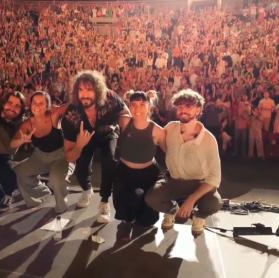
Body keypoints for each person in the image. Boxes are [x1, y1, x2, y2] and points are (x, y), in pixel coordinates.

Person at [145, 89, 223, 235]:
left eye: (188, 106)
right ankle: (172, 210)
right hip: (175, 181)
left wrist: (191, 200)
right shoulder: (170, 128)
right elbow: (153, 132)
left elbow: (214, 178)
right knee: (152, 198)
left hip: (199, 183)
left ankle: (199, 216)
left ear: (198, 109)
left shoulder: (208, 139)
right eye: (180, 106)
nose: (183, 110)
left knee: (214, 203)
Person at [61, 70, 130, 223]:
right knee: (81, 166)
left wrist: (126, 132)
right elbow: (68, 155)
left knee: (110, 160)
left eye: (89, 89)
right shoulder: (71, 114)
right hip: (84, 137)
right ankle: (87, 189)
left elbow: (124, 111)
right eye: (81, 90)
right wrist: (79, 146)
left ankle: (105, 201)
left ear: (98, 90)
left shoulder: (110, 97)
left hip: (107, 132)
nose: (84, 94)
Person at [10, 91, 69, 213]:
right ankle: (41, 195)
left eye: (41, 103)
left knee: (56, 178)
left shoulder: (54, 114)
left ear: (47, 105)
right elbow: (12, 143)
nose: (37, 106)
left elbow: (69, 105)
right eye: (34, 103)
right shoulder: (28, 124)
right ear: (30, 105)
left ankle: (61, 206)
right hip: (40, 157)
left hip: (61, 156)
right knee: (20, 171)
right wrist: (21, 140)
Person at [114, 90, 165, 227]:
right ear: (129, 107)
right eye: (133, 105)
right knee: (126, 215)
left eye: (142, 104)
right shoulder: (124, 122)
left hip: (148, 175)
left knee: (147, 221)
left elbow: (170, 154)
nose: (137, 109)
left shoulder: (157, 130)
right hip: (125, 174)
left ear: (149, 106)